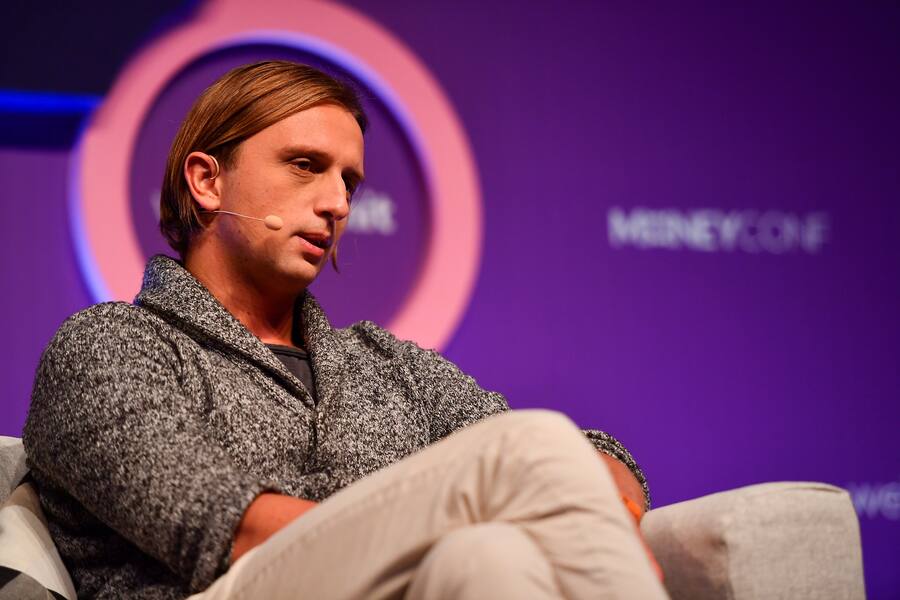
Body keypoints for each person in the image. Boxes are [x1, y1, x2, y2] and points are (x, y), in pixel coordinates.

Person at [23, 61, 667, 599]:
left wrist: (616, 502)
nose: (336, 203)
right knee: (527, 452)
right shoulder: (108, 346)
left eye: (349, 182)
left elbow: (589, 452)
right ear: (207, 181)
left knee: (489, 557)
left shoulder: (385, 363)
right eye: (305, 165)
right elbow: (232, 532)